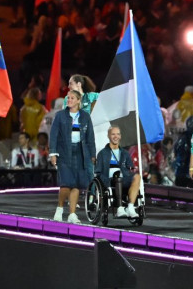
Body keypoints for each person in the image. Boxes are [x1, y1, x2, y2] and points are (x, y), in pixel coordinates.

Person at [48, 90, 96, 223]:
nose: (69, 100)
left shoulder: (85, 116)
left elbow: (90, 137)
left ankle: (72, 214)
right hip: (64, 153)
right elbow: (53, 135)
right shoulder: (60, 116)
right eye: (68, 98)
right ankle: (60, 208)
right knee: (66, 183)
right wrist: (53, 153)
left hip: (80, 153)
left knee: (77, 184)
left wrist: (92, 155)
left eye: (72, 98)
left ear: (78, 100)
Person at [96, 126, 141, 219]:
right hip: (110, 180)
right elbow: (98, 172)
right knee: (117, 176)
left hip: (124, 177)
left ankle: (130, 207)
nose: (115, 136)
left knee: (137, 177)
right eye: (113, 134)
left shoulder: (125, 153)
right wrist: (105, 181)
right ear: (108, 136)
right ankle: (119, 208)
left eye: (117, 134)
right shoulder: (102, 153)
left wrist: (134, 169)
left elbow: (130, 167)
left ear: (120, 136)